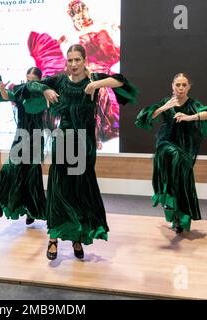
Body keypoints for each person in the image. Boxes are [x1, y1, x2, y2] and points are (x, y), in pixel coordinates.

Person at [24, 44, 137, 260]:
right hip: (63, 139)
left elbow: (121, 81)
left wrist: (95, 84)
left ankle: (76, 236)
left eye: (77, 60)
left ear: (85, 60)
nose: (73, 64)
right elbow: (32, 86)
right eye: (70, 60)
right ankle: (54, 238)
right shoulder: (59, 80)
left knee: (79, 189)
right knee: (58, 187)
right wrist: (45, 89)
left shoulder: (92, 78)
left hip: (84, 143)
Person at [135, 73, 207, 234]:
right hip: (166, 143)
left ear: (189, 87)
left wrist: (189, 117)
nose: (181, 88)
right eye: (178, 85)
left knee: (183, 181)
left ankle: (179, 219)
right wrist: (164, 107)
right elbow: (146, 117)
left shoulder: (193, 104)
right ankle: (169, 199)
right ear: (172, 86)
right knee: (174, 156)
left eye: (184, 85)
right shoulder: (166, 102)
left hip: (186, 146)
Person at [28, 0, 123, 150]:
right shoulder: (71, 35)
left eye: (83, 17)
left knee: (99, 97)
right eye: (77, 19)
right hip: (80, 77)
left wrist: (96, 83)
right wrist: (45, 89)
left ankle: (95, 135)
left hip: (97, 73)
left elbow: (119, 78)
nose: (81, 21)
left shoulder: (102, 26)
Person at [0, 67, 47, 225]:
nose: (30, 84)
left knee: (31, 177)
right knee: (8, 170)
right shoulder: (21, 92)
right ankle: (0, 207)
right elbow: (7, 96)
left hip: (35, 139)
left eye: (33, 81)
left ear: (40, 82)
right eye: (28, 80)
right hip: (20, 137)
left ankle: (32, 210)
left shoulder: (43, 96)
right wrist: (2, 90)